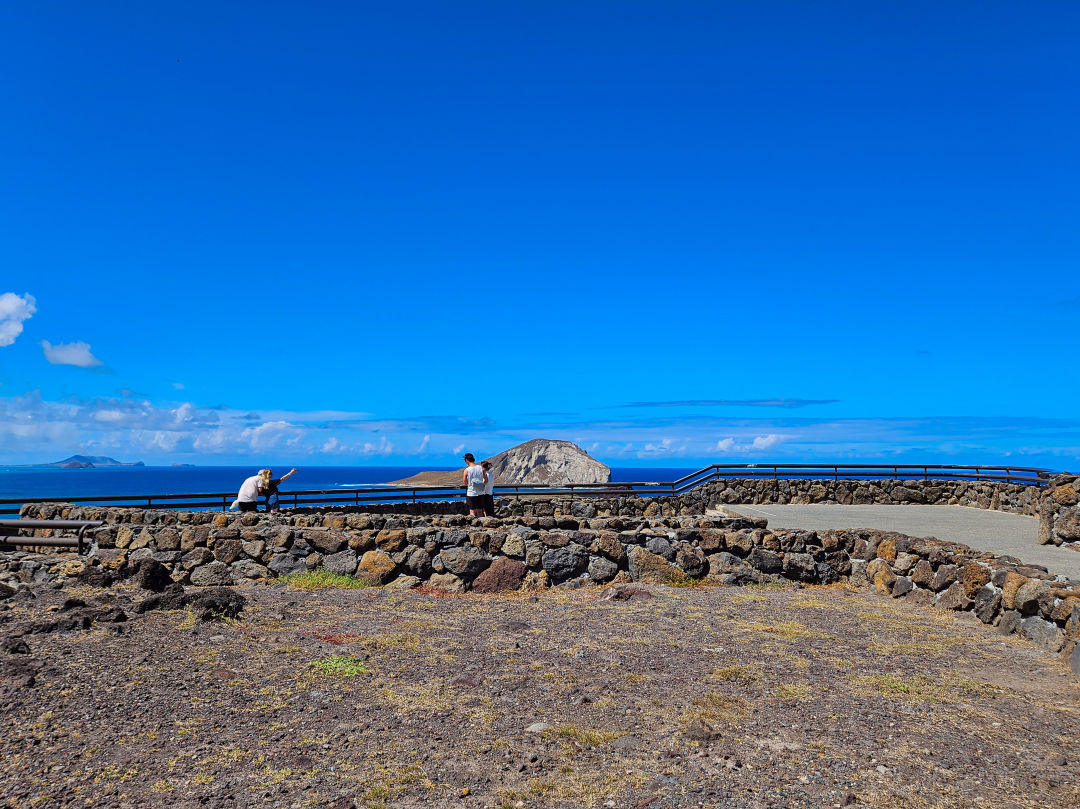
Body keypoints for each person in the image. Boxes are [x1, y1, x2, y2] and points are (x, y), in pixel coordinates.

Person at [461, 453, 488, 517]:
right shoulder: (481, 468)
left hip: (471, 493)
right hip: (480, 493)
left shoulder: (467, 470)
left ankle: (474, 524)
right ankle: (481, 524)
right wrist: (481, 485)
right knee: (480, 511)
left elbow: (465, 482)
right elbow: (486, 480)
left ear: (467, 460)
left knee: (472, 511)